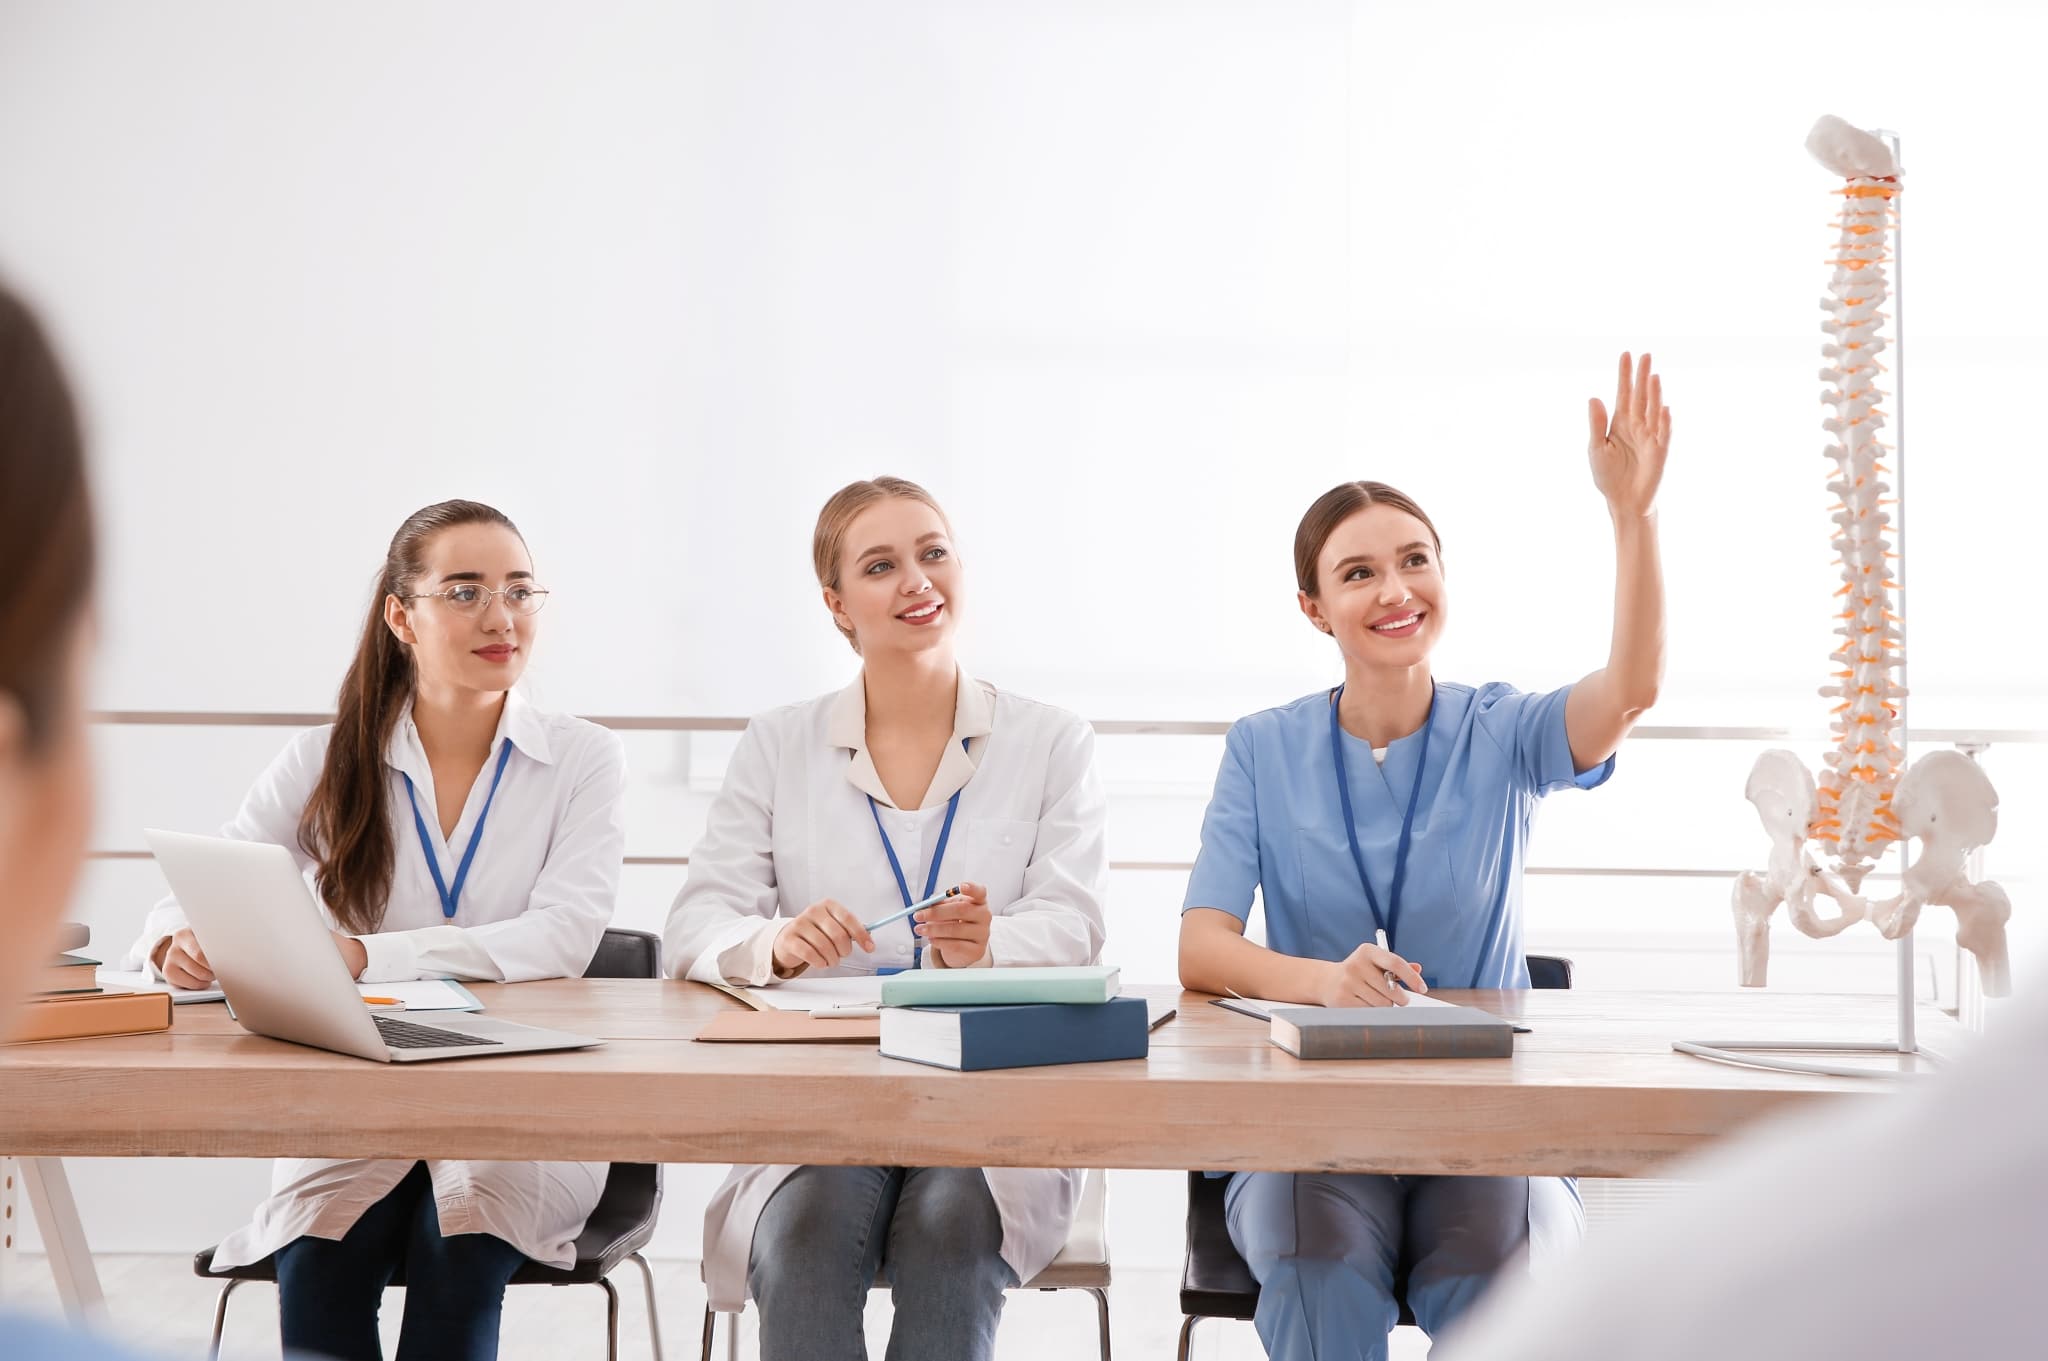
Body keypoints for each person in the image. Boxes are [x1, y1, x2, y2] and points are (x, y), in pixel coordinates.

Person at [1177, 354, 1672, 1360]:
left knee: (1496, 1282)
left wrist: (1631, 513)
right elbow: (1201, 944)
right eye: (1357, 572)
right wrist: (1322, 981)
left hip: (1486, 1123)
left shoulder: (1502, 729)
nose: (1394, 588)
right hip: (1313, 1122)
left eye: (1414, 560)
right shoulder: (1262, 745)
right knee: (1320, 1280)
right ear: (1314, 607)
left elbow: (1626, 690)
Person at [120, 499, 627, 1361]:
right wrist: (181, 940)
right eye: (465, 591)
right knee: (317, 1267)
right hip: (360, 1092)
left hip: (523, 1098)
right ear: (403, 614)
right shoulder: (325, 757)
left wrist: (364, 954)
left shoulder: (583, 758)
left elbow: (566, 935)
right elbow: (207, 882)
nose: (501, 617)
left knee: (458, 1260)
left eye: (520, 591)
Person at [665, 476, 1107, 1361]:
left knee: (950, 1238)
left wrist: (991, 946)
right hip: (826, 1094)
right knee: (799, 1247)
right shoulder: (778, 743)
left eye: (933, 552)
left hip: (988, 1099)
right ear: (837, 605)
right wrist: (776, 943)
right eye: (882, 565)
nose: (917, 579)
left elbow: (1076, 922)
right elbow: (696, 923)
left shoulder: (1052, 739)